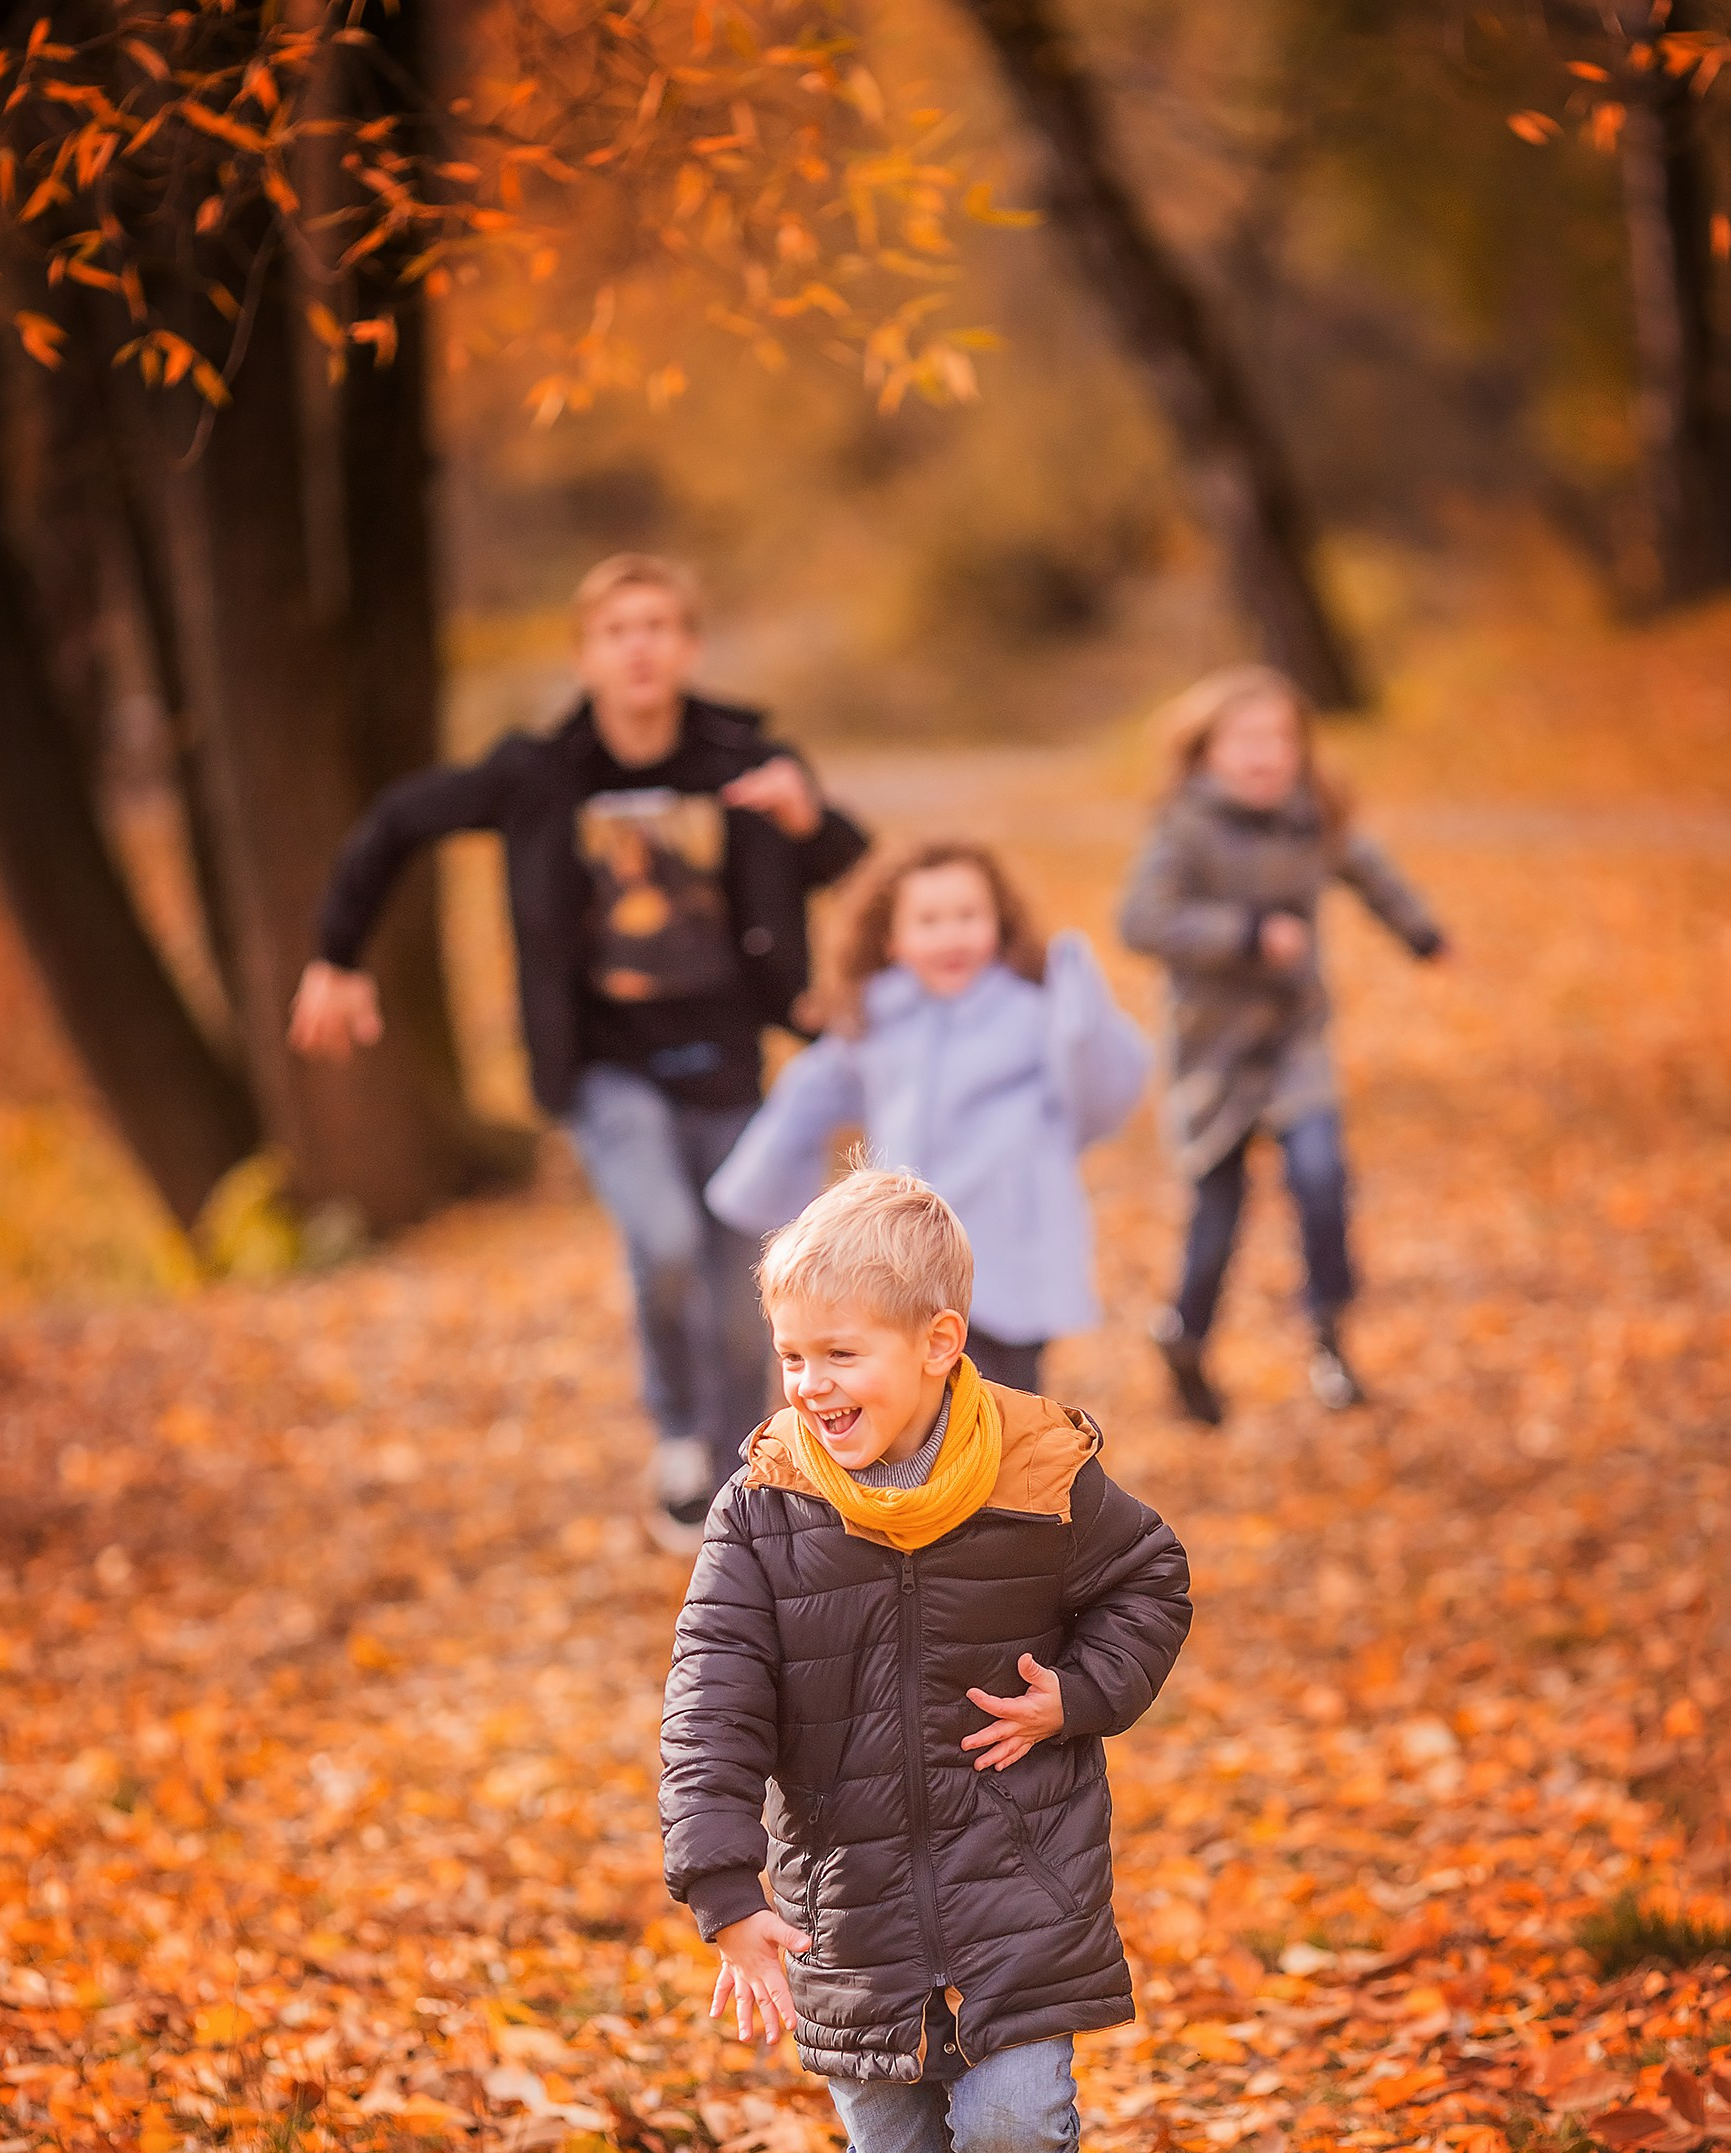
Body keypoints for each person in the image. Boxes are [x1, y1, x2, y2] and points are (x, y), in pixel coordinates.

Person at [658, 1170, 1191, 2153]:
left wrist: (1080, 1695)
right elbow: (710, 1697)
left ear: (939, 1344)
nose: (811, 1385)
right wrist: (725, 1885)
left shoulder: (1038, 1475)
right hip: (850, 1911)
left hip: (1017, 1877)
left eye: (843, 1354)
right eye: (794, 1356)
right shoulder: (766, 1510)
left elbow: (1149, 1581)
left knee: (1012, 2126)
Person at [289, 552, 869, 1550]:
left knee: (753, 1287)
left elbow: (856, 865)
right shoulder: (538, 774)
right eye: (616, 630)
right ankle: (680, 1438)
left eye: (658, 627)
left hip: (732, 1063)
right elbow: (394, 822)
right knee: (668, 1241)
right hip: (605, 1072)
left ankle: (749, 1461)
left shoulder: (744, 760)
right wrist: (338, 955)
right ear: (586, 655)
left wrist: (811, 819)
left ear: (688, 647)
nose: (638, 647)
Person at [1119, 664, 1448, 1427]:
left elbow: (1369, 870)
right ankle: (1185, 1340)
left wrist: (1422, 935)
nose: (1266, 753)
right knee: (1217, 1215)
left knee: (1321, 1176)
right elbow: (1140, 921)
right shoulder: (1183, 830)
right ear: (1206, 753)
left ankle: (1330, 1339)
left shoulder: (1312, 819)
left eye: (1280, 738)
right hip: (1216, 1053)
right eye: (1246, 739)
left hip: (1296, 1041)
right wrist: (1243, 934)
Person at [704, 844, 1150, 1397]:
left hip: (1009, 1247)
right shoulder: (879, 1019)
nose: (951, 936)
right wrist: (757, 1187)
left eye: (968, 917)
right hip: (904, 1254)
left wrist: (1081, 1013)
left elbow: (1101, 1091)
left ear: (998, 926)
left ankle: (1001, 1482)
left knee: (1002, 1404)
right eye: (929, 921)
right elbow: (813, 1092)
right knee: (914, 1401)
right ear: (894, 940)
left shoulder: (1032, 1014)